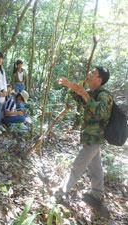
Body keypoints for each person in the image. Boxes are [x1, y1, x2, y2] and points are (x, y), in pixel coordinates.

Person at [56, 66, 113, 212]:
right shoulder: (91, 92)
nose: (89, 73)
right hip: (90, 136)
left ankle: (59, 193)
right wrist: (72, 86)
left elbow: (102, 114)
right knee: (96, 167)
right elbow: (77, 98)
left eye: (93, 73)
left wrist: (84, 95)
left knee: (77, 168)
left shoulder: (103, 95)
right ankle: (97, 194)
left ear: (99, 80)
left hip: (94, 138)